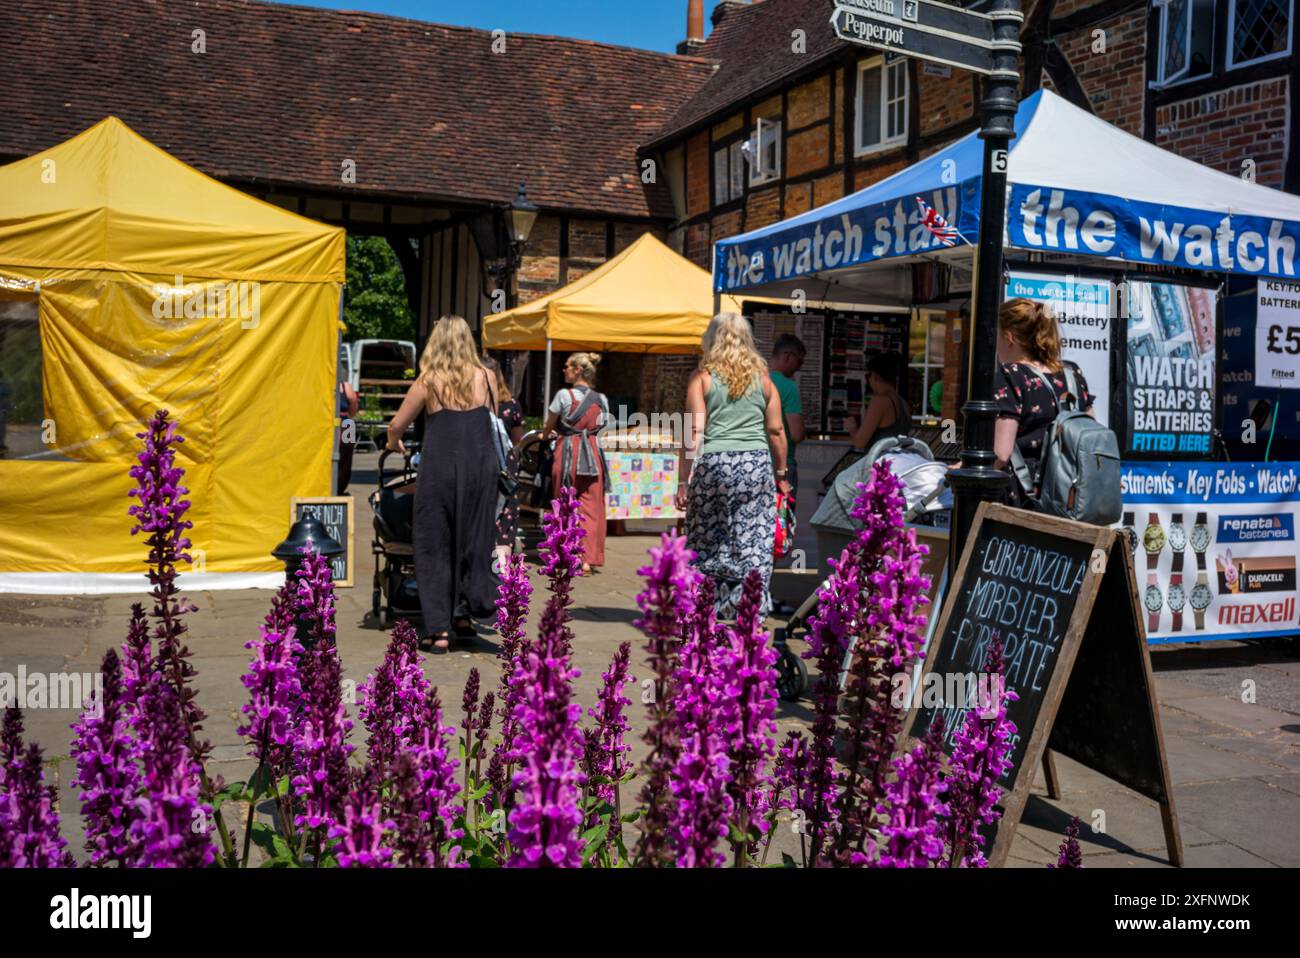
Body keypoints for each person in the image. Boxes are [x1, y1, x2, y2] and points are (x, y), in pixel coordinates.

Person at [387, 315, 498, 651]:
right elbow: (492, 419)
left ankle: (440, 629)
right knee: (473, 540)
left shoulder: (429, 380)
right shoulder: (487, 377)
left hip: (440, 468)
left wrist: (394, 443)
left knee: (435, 543)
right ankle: (465, 613)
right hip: (480, 468)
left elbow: (396, 425)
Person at [676, 313, 789, 620]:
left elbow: (695, 431)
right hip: (755, 465)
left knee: (706, 539)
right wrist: (781, 474)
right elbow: (777, 431)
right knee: (753, 539)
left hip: (713, 464)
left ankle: (703, 609)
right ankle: (750, 610)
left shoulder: (702, 378)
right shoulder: (765, 381)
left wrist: (683, 480)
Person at [992, 298, 1095, 506]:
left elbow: (1002, 453)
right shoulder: (1072, 372)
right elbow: (1089, 432)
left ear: (1009, 337)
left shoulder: (1010, 374)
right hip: (1070, 496)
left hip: (1025, 497)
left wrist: (968, 470)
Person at [542, 352, 608, 575]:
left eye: (567, 366)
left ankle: (566, 555)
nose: (564, 370)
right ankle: (587, 560)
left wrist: (544, 436)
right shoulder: (601, 399)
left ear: (577, 370)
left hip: (568, 450)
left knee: (565, 502)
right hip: (593, 452)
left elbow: (548, 426)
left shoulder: (563, 395)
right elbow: (603, 427)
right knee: (591, 507)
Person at [482, 353, 525, 563]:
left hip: (479, 462)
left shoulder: (473, 405)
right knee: (505, 522)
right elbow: (517, 441)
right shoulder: (511, 406)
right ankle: (501, 574)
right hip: (505, 467)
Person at [848, 352, 910, 453]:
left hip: (880, 464)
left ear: (875, 376)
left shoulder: (880, 402)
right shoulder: (902, 402)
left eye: (868, 375)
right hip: (897, 462)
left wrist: (852, 428)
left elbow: (859, 442)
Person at [768, 334, 806, 497]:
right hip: (782, 467)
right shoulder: (789, 387)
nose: (800, 368)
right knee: (782, 521)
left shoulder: (754, 381)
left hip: (756, 462)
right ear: (788, 356)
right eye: (800, 361)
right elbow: (797, 434)